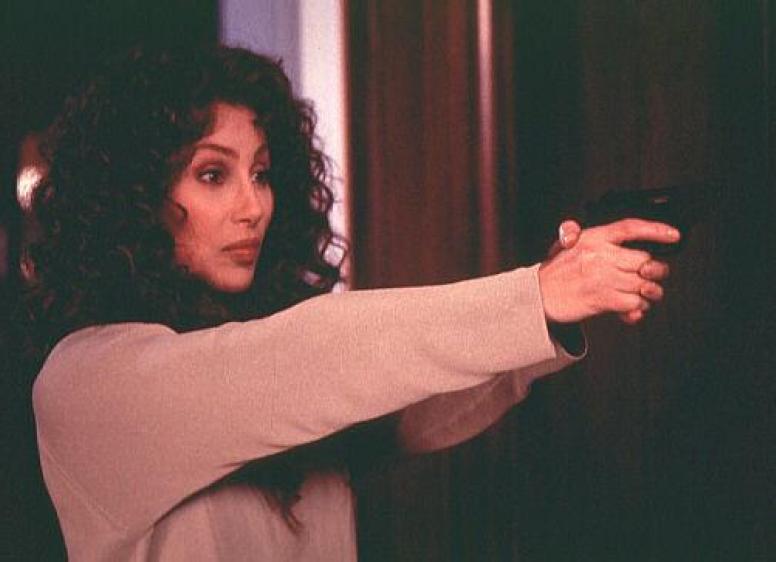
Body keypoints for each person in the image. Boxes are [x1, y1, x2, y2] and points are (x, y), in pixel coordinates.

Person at [23, 44, 677, 561]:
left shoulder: (272, 368)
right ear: (132, 197)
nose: (254, 207)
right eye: (213, 174)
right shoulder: (88, 379)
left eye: (262, 173)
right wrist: (535, 293)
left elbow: (409, 412)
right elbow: (301, 357)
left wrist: (553, 305)